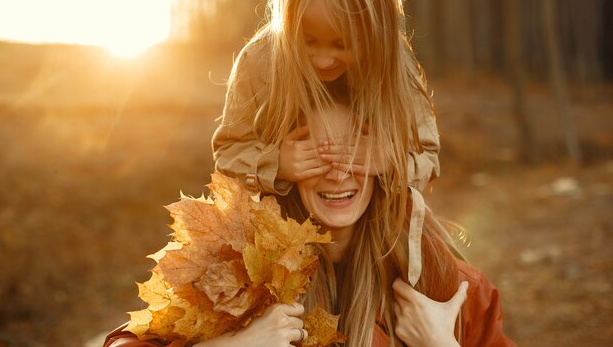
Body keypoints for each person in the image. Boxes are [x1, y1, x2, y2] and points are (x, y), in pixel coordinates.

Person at [104, 102, 515, 347]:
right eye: (316, 152)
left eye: (354, 150)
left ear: (382, 160)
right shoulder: (236, 275)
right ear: (283, 164)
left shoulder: (449, 290)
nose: (337, 174)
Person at [212, 0, 440, 199]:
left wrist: (389, 159)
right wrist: (277, 164)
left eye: (341, 44)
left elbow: (427, 154)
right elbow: (228, 152)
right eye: (307, 41)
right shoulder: (260, 63)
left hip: (374, 226)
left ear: (375, 32)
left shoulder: (394, 64)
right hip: (281, 228)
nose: (323, 59)